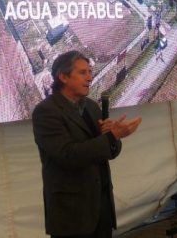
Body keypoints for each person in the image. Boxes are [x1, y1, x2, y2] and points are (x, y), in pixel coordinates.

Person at [32, 50, 142, 238]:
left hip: (101, 204)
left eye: (90, 72)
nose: (90, 78)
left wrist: (113, 136)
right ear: (63, 77)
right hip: (72, 211)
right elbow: (68, 155)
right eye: (83, 73)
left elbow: (109, 151)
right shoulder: (46, 112)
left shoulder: (91, 106)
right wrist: (110, 137)